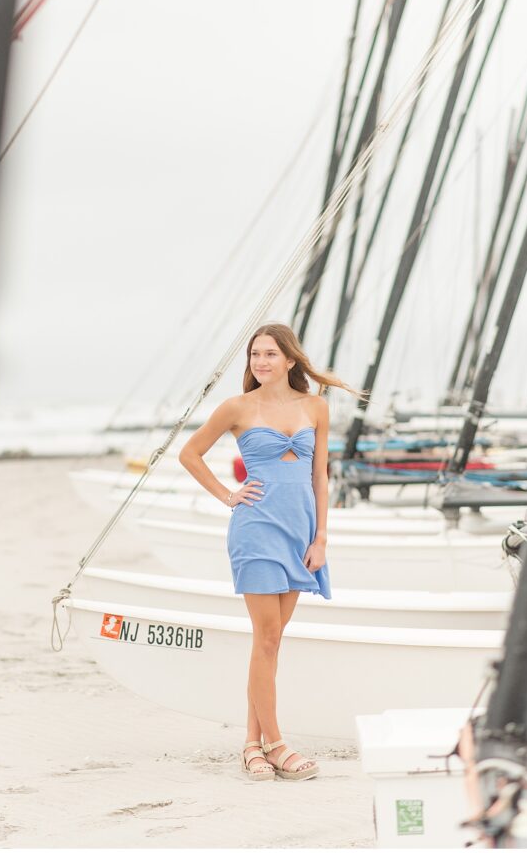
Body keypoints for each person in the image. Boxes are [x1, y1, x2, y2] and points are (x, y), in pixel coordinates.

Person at [178, 322, 367, 782]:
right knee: (266, 637)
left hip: (299, 533)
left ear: (289, 359)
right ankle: (277, 744)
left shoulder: (315, 406)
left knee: (271, 643)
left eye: (268, 354)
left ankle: (251, 746)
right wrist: (228, 495)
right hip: (256, 530)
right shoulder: (237, 407)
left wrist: (321, 537)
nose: (259, 362)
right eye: (254, 355)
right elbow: (190, 453)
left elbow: (319, 477)